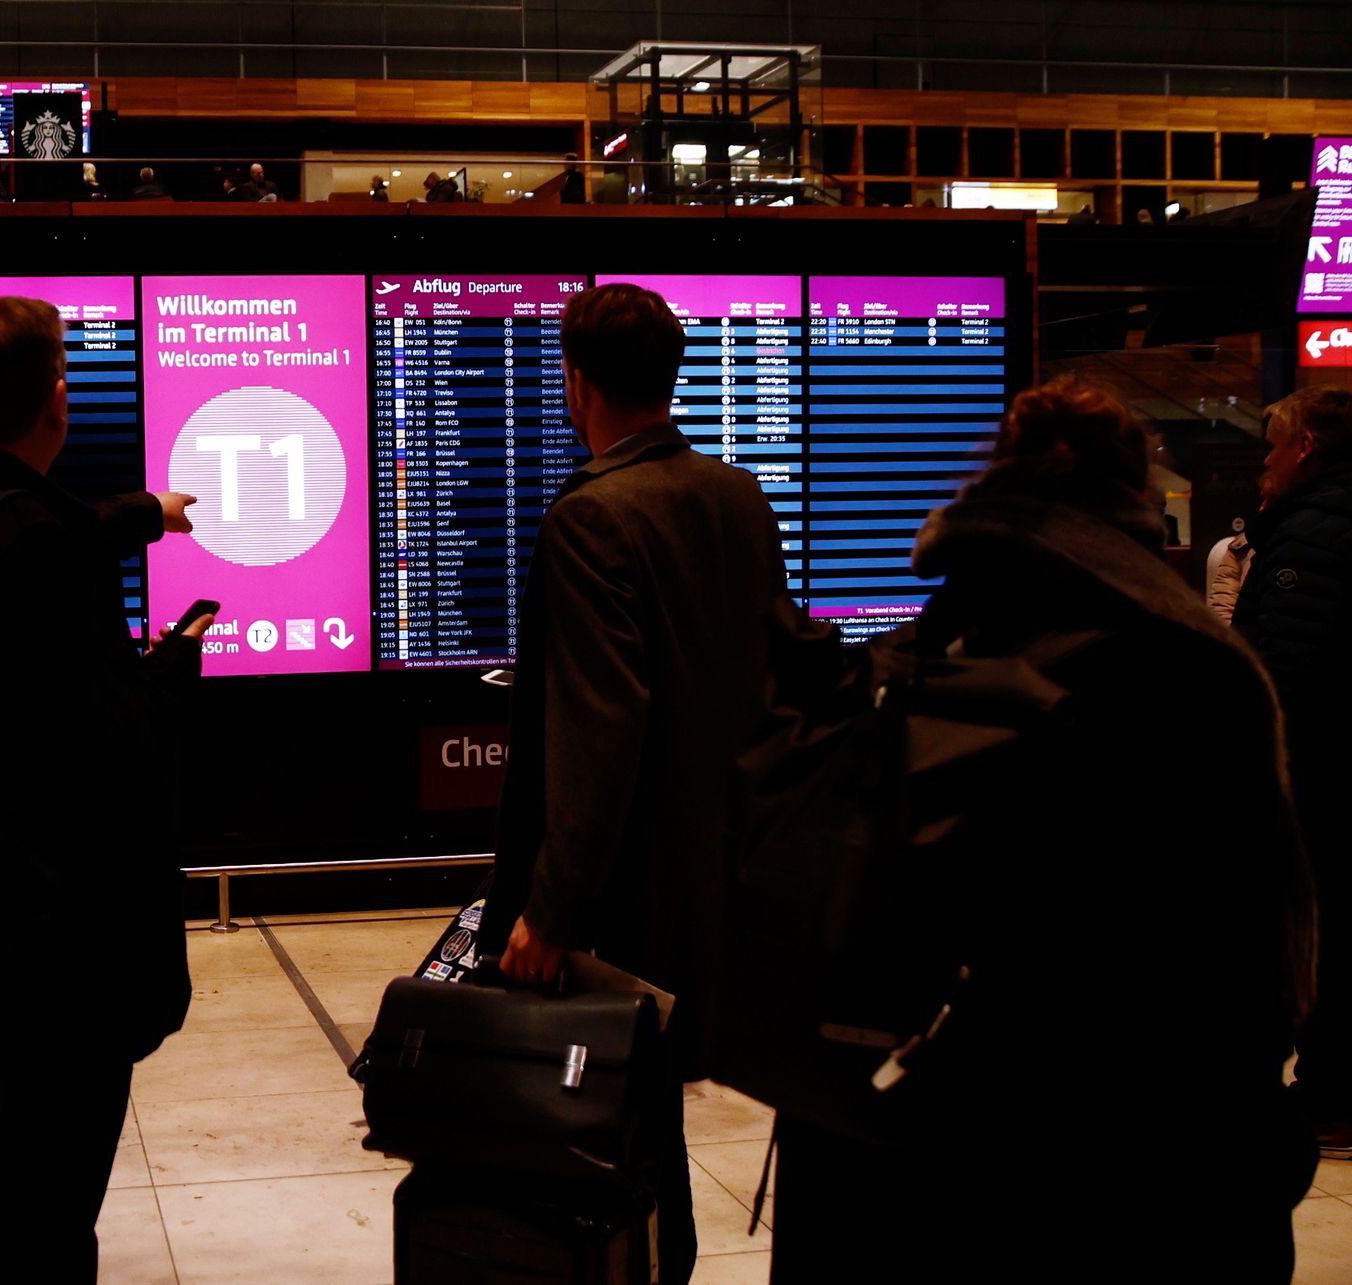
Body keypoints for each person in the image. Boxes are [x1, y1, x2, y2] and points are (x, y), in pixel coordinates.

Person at [774, 380, 1318, 1281]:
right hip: (1133, 1148)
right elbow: (1256, 949)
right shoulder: (1197, 669)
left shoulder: (914, 657)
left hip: (912, 1134)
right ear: (1138, 502)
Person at [0, 298, 208, 1281]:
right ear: (58, 400)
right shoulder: (43, 550)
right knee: (53, 1203)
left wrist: (141, 516)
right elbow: (104, 748)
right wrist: (165, 676)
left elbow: (17, 539)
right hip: (62, 938)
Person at [479, 283, 786, 1283]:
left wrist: (549, 907)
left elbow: (598, 725)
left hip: (622, 895)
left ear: (573, 381)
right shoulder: (735, 496)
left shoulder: (590, 518)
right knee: (651, 1122)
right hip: (720, 869)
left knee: (604, 1134)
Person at [1235, 385, 1352, 1159]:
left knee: (1324, 930)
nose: (1262, 468)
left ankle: (1332, 1094)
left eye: (1272, 447)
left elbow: (1282, 671)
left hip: (1319, 773)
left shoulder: (1314, 530)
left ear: (1305, 447)